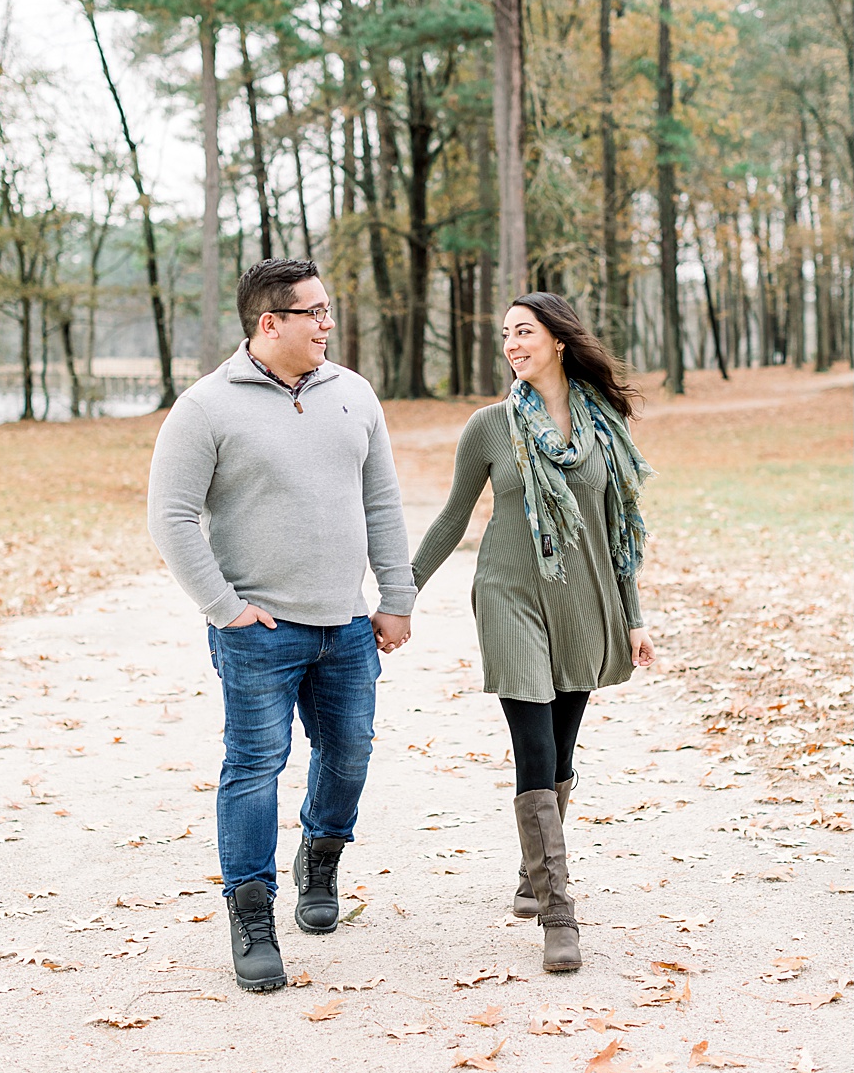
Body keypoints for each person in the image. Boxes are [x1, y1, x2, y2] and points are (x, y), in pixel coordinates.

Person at [147, 258, 415, 993]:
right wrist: (224, 608)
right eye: (316, 312)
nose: (329, 323)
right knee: (253, 769)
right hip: (259, 634)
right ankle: (252, 911)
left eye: (329, 310)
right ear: (271, 324)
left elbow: (383, 503)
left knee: (350, 754)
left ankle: (320, 862)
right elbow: (169, 517)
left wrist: (397, 595)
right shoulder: (205, 408)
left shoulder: (354, 394)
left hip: (347, 626)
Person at [411, 292, 654, 973]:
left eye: (524, 332)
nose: (512, 344)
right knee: (533, 747)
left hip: (584, 602)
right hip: (509, 594)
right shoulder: (490, 427)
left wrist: (633, 616)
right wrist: (401, 593)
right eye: (506, 334)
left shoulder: (605, 426)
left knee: (561, 758)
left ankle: (532, 872)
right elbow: (454, 517)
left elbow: (618, 534)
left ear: (558, 340)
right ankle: (559, 913)